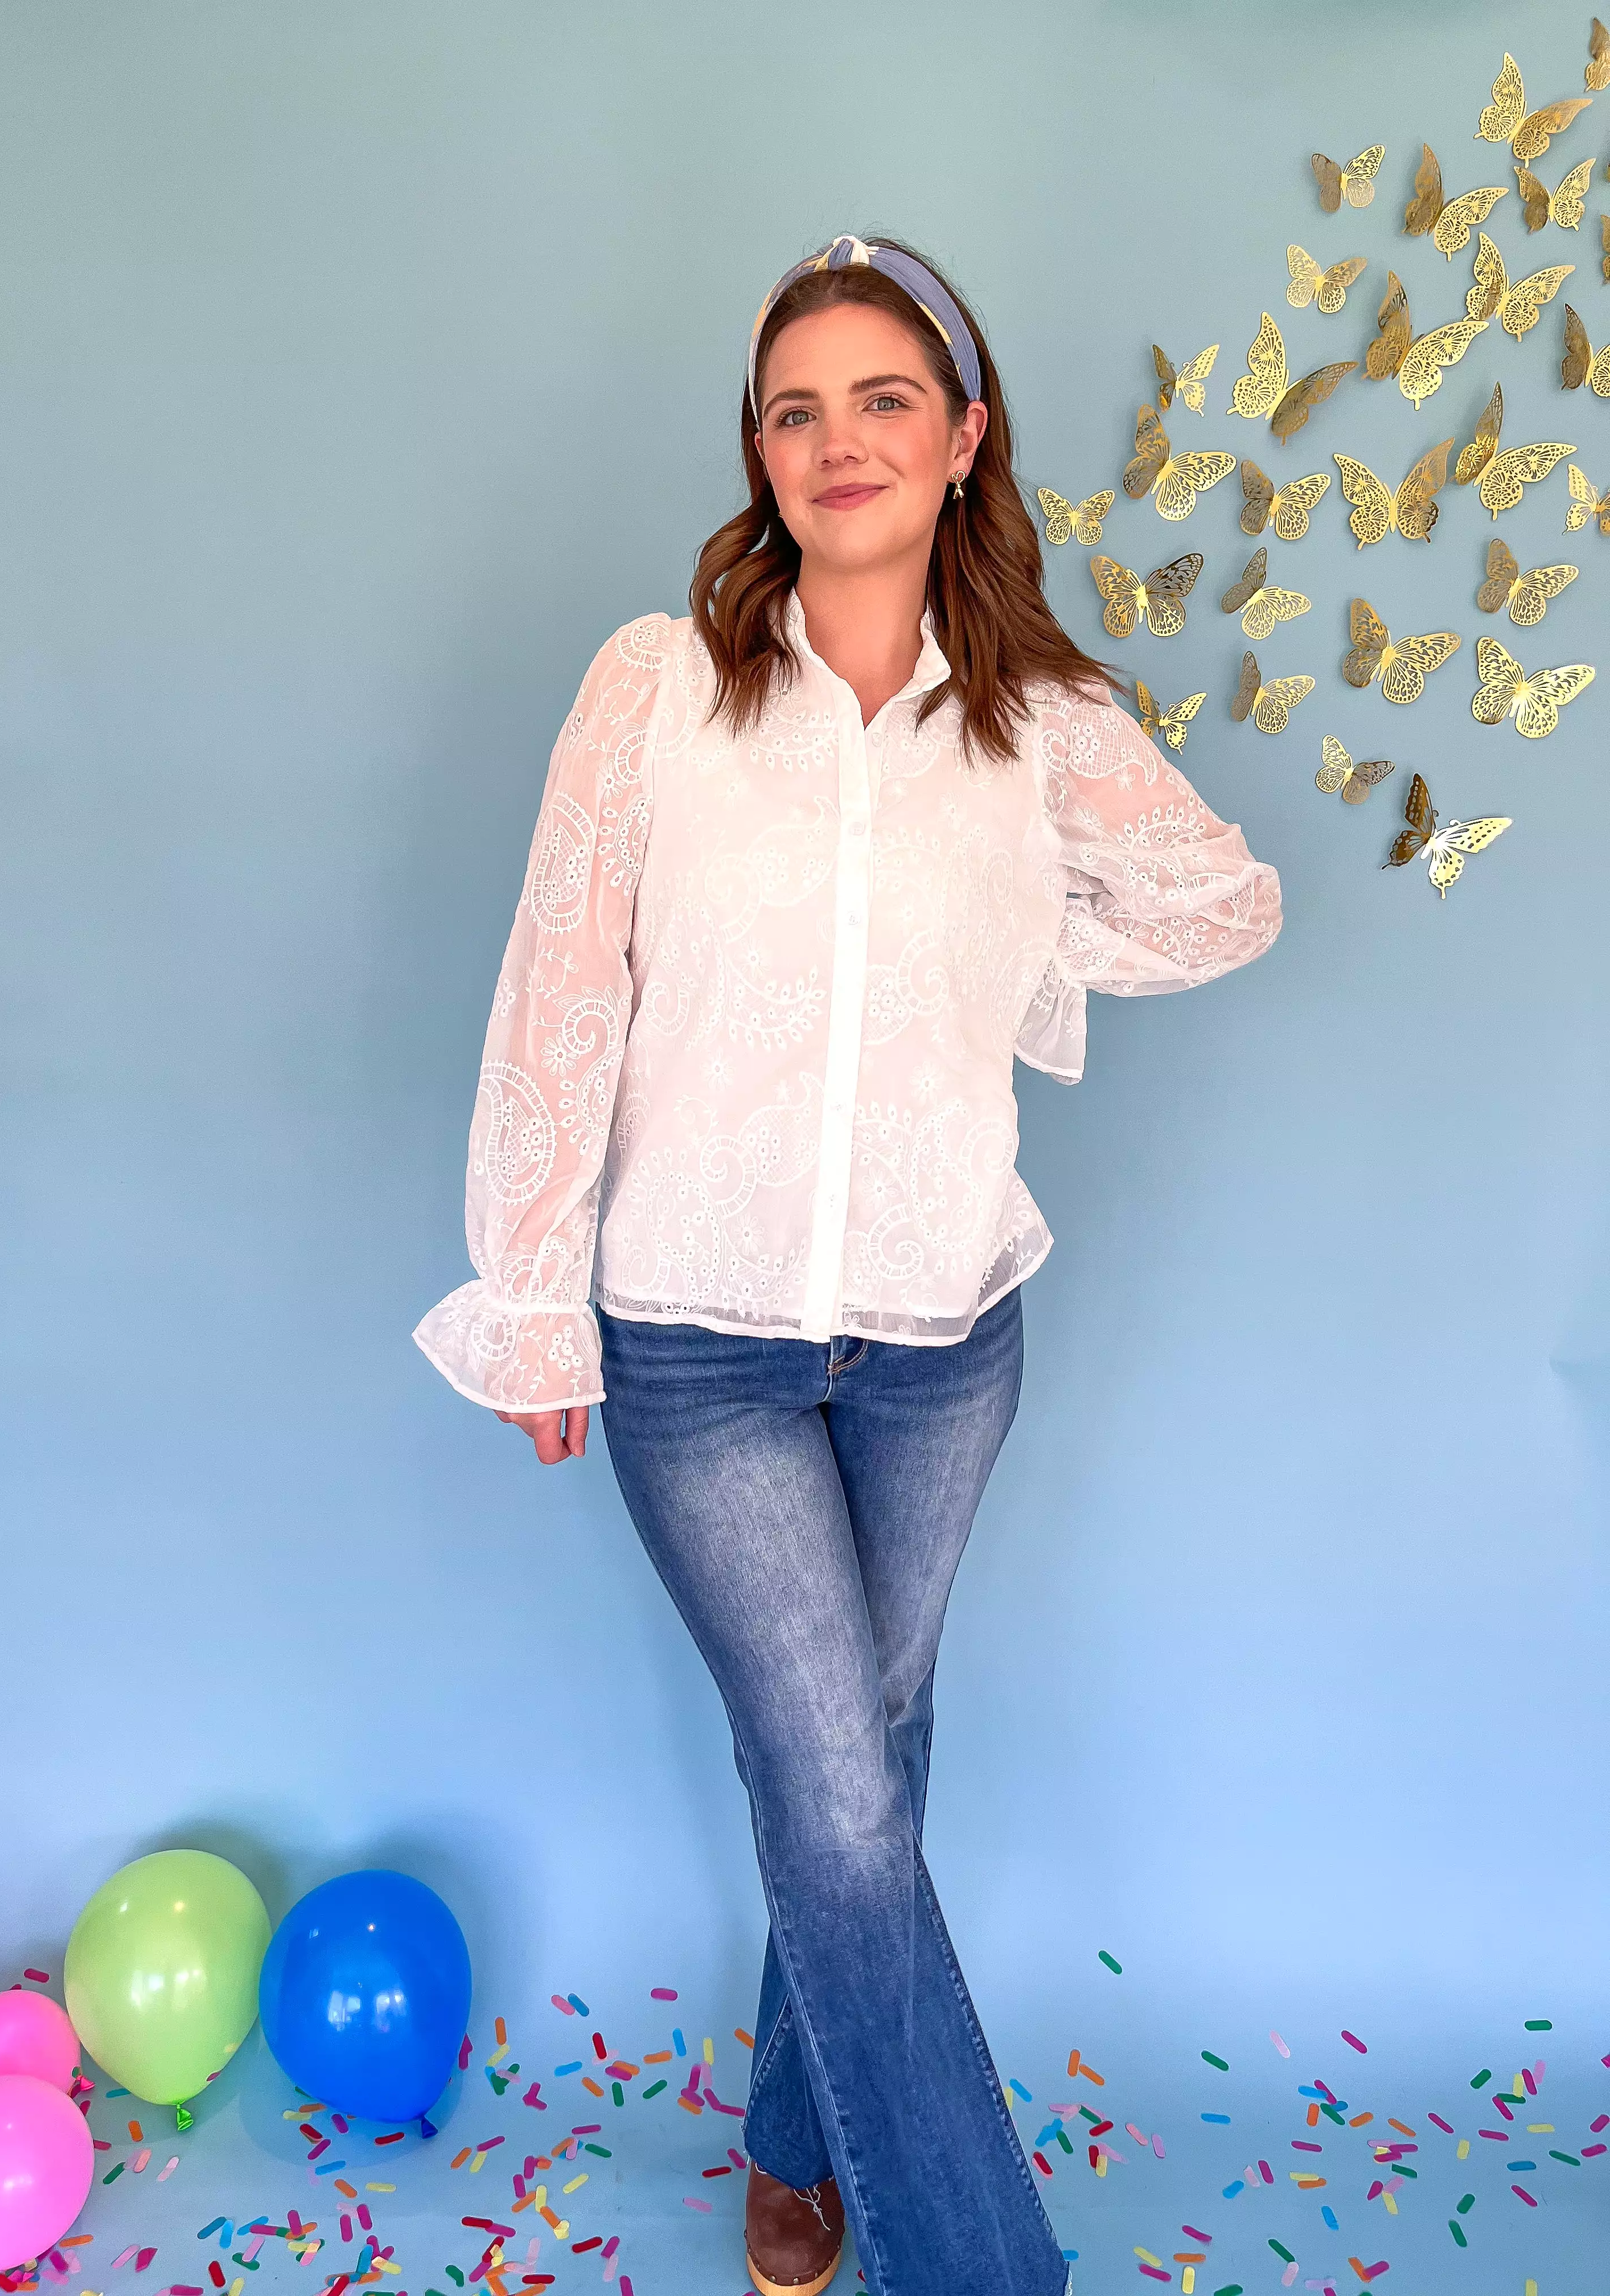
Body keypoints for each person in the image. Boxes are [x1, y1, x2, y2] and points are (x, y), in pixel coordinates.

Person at [415, 232, 1281, 2296]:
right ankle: (986, 2265)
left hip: (944, 1333)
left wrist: (1002, 958)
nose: (837, 441)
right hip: (695, 1343)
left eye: (883, 398)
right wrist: (532, 1285)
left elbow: (1224, 901)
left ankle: (798, 2142)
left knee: (866, 1769)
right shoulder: (657, 687)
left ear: (966, 439)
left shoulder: (1040, 722)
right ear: (759, 454)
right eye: (796, 409)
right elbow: (561, 992)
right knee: (840, 1791)